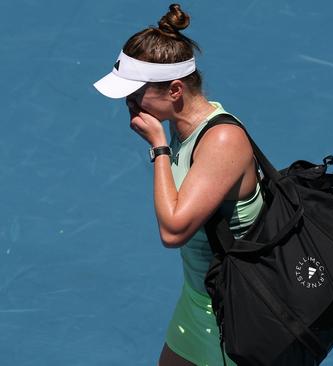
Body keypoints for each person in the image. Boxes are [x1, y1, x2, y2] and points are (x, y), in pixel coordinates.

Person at [94, 4, 263, 365]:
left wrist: (159, 147)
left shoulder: (221, 142)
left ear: (174, 90)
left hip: (236, 314)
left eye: (136, 95)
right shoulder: (181, 123)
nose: (129, 104)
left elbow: (173, 231)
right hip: (198, 298)